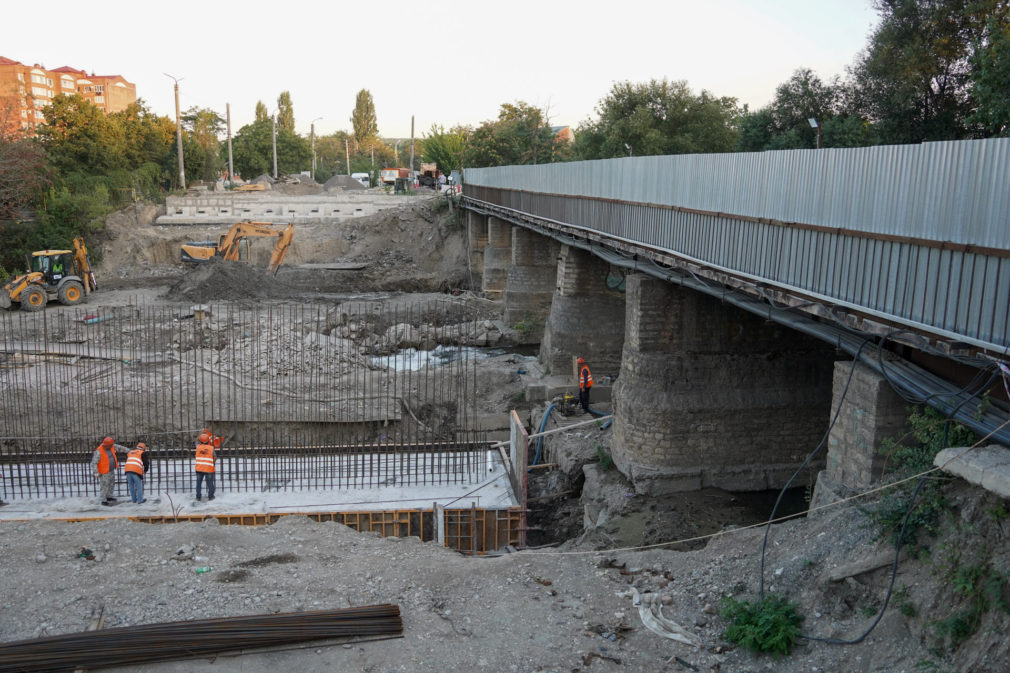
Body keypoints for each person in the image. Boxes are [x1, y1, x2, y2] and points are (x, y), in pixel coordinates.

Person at [90, 436, 124, 506]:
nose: (112, 446)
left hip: (110, 469)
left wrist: (130, 451)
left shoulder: (111, 446)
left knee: (111, 483)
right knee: (104, 485)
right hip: (104, 472)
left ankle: (109, 496)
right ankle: (103, 499)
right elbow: (94, 463)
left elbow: (120, 448)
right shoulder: (99, 451)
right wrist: (96, 472)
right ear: (106, 445)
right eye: (111, 445)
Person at [194, 433, 216, 501]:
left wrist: (201, 433)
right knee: (210, 483)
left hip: (199, 468)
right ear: (208, 441)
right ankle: (211, 496)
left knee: (198, 483)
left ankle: (198, 496)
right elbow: (215, 457)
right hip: (208, 468)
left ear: (200, 441)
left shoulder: (198, 447)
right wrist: (212, 463)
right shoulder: (211, 448)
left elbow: (196, 441)